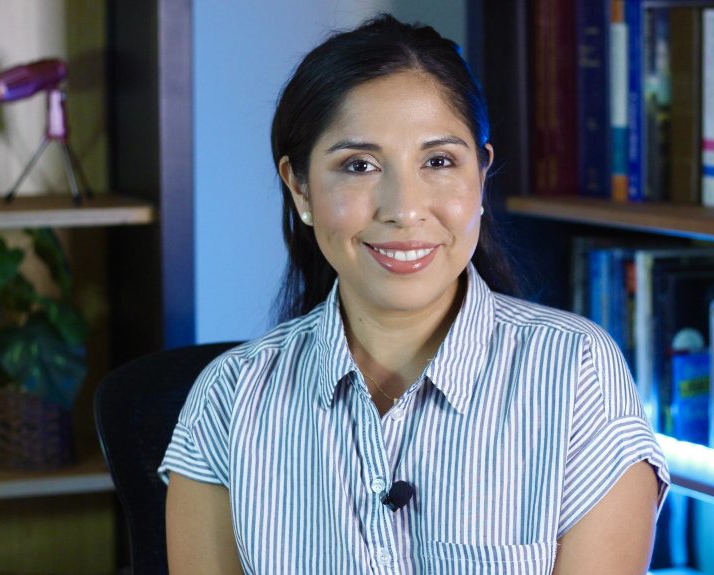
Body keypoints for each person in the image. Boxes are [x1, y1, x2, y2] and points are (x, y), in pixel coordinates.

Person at [160, 14, 669, 574]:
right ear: (299, 188)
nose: (403, 209)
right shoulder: (229, 401)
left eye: (438, 161)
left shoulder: (576, 376)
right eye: (359, 165)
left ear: (481, 176)